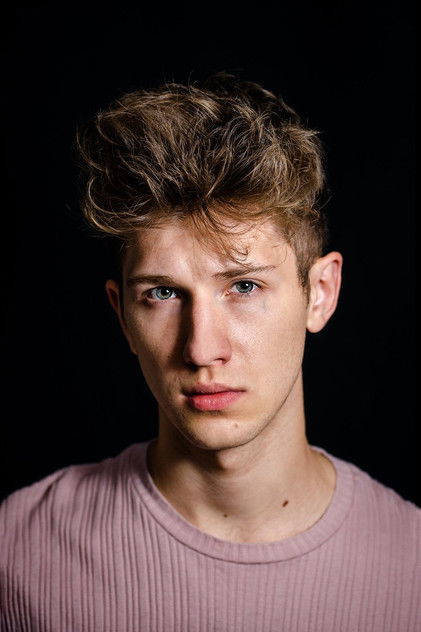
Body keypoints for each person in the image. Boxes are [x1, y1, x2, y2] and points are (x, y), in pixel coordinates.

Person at [1, 73, 419, 632]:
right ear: (122, 315)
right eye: (163, 294)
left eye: (244, 286)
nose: (201, 349)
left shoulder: (412, 564)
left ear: (320, 293)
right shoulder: (16, 549)